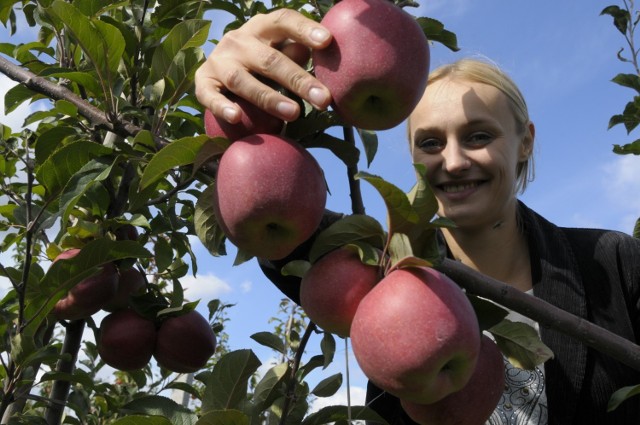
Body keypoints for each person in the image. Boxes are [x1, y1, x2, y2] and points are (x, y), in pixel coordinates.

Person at [194, 9, 640, 425]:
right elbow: (273, 214)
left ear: (525, 142)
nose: (454, 160)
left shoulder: (614, 263)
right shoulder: (370, 270)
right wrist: (235, 86)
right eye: (429, 143)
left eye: (478, 136)